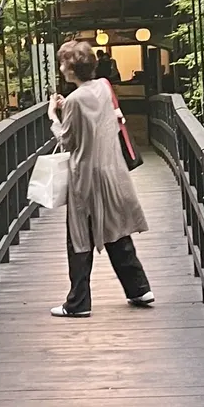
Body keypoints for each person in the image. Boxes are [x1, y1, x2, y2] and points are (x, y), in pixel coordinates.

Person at [47, 38, 153, 318]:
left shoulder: (74, 101)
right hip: (112, 170)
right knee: (116, 229)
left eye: (62, 63)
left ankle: (78, 303)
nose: (60, 68)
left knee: (79, 239)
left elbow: (67, 141)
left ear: (69, 70)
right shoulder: (104, 87)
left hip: (86, 176)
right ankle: (139, 288)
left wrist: (54, 117)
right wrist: (66, 106)